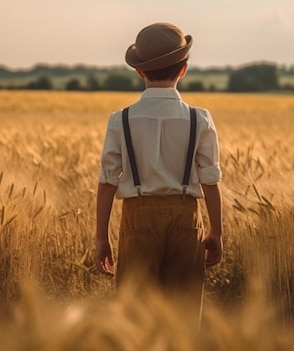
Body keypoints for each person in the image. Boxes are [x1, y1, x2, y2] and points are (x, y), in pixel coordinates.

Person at [94, 22, 223, 324]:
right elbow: (211, 181)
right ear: (184, 69)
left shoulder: (121, 120)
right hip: (186, 218)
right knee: (185, 315)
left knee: (134, 316)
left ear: (140, 71)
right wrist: (216, 231)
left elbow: (107, 182)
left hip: (137, 217)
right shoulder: (199, 119)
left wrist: (101, 238)